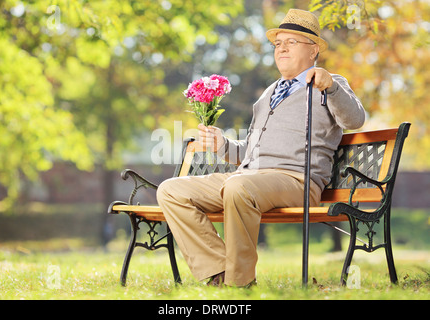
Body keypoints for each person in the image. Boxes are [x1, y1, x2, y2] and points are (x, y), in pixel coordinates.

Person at [156, 9, 365, 287]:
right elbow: (250, 153)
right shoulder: (269, 92)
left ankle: (239, 282)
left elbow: (355, 120)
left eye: (291, 42)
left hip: (297, 181)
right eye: (278, 44)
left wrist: (332, 89)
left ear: (313, 50)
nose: (282, 49)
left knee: (238, 188)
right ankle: (219, 272)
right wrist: (224, 145)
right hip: (248, 177)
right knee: (171, 190)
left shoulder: (331, 83)